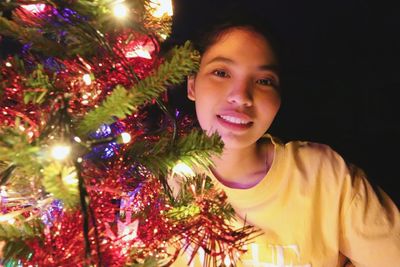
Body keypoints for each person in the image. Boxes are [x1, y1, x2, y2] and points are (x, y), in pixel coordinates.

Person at [170, 13, 400, 267]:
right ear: (192, 85)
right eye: (221, 72)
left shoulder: (326, 178)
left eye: (263, 81)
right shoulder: (159, 184)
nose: (241, 96)